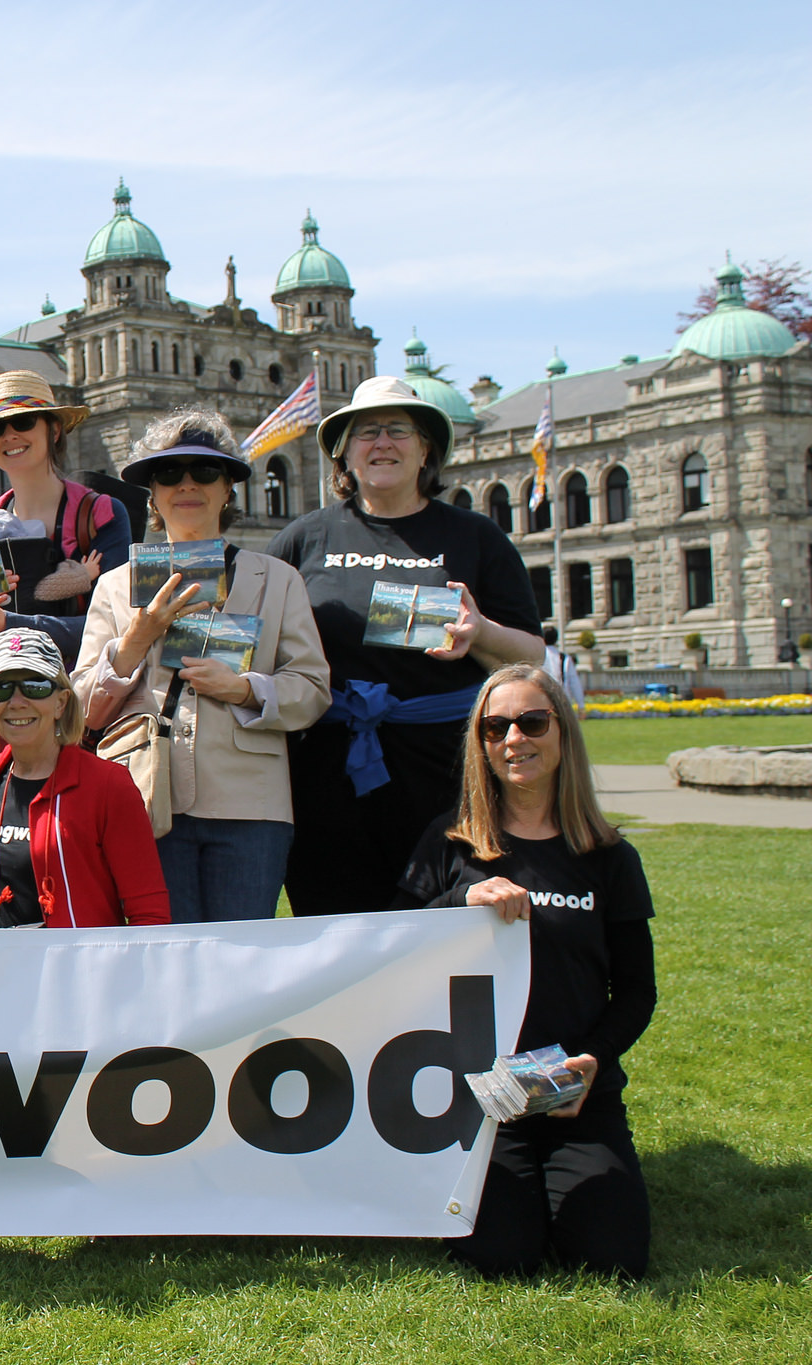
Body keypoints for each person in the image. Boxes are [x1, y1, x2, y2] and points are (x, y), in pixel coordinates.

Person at [392, 664, 655, 1279]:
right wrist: (460, 904)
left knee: (611, 1257)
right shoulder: (450, 844)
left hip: (575, 1093)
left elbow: (638, 992)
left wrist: (592, 1060)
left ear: (562, 733)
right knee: (500, 1256)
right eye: (496, 727)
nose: (515, 739)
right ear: (480, 744)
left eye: (532, 722)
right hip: (477, 1097)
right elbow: (394, 949)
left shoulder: (608, 856)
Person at [267, 375, 544, 916]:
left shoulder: (475, 535)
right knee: (334, 922)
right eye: (366, 432)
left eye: (399, 430)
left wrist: (480, 632)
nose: (382, 443)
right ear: (344, 454)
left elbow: (530, 656)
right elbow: (263, 636)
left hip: (444, 772)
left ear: (426, 452)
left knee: (445, 919)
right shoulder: (305, 538)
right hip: (325, 772)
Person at [74, 409, 331, 921]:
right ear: (152, 493)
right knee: (167, 960)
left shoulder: (277, 579)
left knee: (242, 959)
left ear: (229, 488)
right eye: (169, 474)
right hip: (145, 798)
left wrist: (245, 689)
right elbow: (82, 706)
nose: (186, 485)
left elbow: (313, 688)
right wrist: (138, 637)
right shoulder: (116, 584)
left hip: (250, 807)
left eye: (205, 472)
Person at [0, 630, 170, 929]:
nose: (17, 702)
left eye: (35, 686)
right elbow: (7, 879)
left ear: (61, 702)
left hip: (78, 968)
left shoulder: (109, 785)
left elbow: (149, 912)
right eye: (1, 689)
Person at [0, 371, 133, 679]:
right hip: (1, 705)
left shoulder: (101, 514)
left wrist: (5, 623)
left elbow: (116, 624)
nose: (9, 435)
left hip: (80, 707)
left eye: (24, 422)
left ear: (54, 430)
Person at [542, 627, 585, 708]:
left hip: (542, 698)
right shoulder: (564, 658)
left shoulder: (538, 656)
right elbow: (574, 682)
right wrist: (581, 705)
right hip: (562, 699)